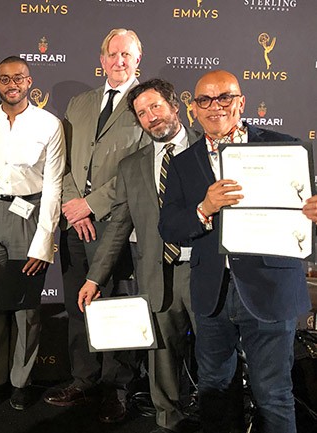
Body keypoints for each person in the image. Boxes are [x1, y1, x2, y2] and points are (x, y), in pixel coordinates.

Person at [159, 70, 312, 433]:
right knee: (214, 390)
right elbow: (170, 227)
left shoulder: (284, 148)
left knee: (273, 393)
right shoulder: (182, 163)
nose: (215, 107)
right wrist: (203, 209)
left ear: (241, 102)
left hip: (270, 289)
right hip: (213, 294)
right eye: (205, 100)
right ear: (193, 109)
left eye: (224, 97)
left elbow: (303, 209)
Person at [77, 78, 201, 433]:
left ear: (175, 106)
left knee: (214, 355)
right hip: (156, 273)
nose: (151, 117)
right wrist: (93, 277)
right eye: (143, 113)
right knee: (161, 356)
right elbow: (118, 226)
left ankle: (220, 418)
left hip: (203, 271)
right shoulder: (132, 165)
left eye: (156, 107)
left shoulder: (207, 149)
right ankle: (168, 421)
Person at [46, 28, 148, 423]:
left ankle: (116, 387)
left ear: (138, 59)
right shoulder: (80, 103)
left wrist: (91, 204)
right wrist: (74, 205)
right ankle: (84, 379)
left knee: (117, 307)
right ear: (101, 59)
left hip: (117, 223)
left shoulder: (145, 104)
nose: (118, 61)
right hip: (74, 223)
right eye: (112, 54)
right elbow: (64, 161)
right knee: (78, 305)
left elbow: (138, 168)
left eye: (126, 54)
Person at [0, 56, 63, 411]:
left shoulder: (49, 124)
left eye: (19, 78)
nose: (12, 84)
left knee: (26, 308)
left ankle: (21, 382)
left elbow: (54, 185)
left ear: (30, 81)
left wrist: (45, 241)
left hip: (31, 214)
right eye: (5, 79)